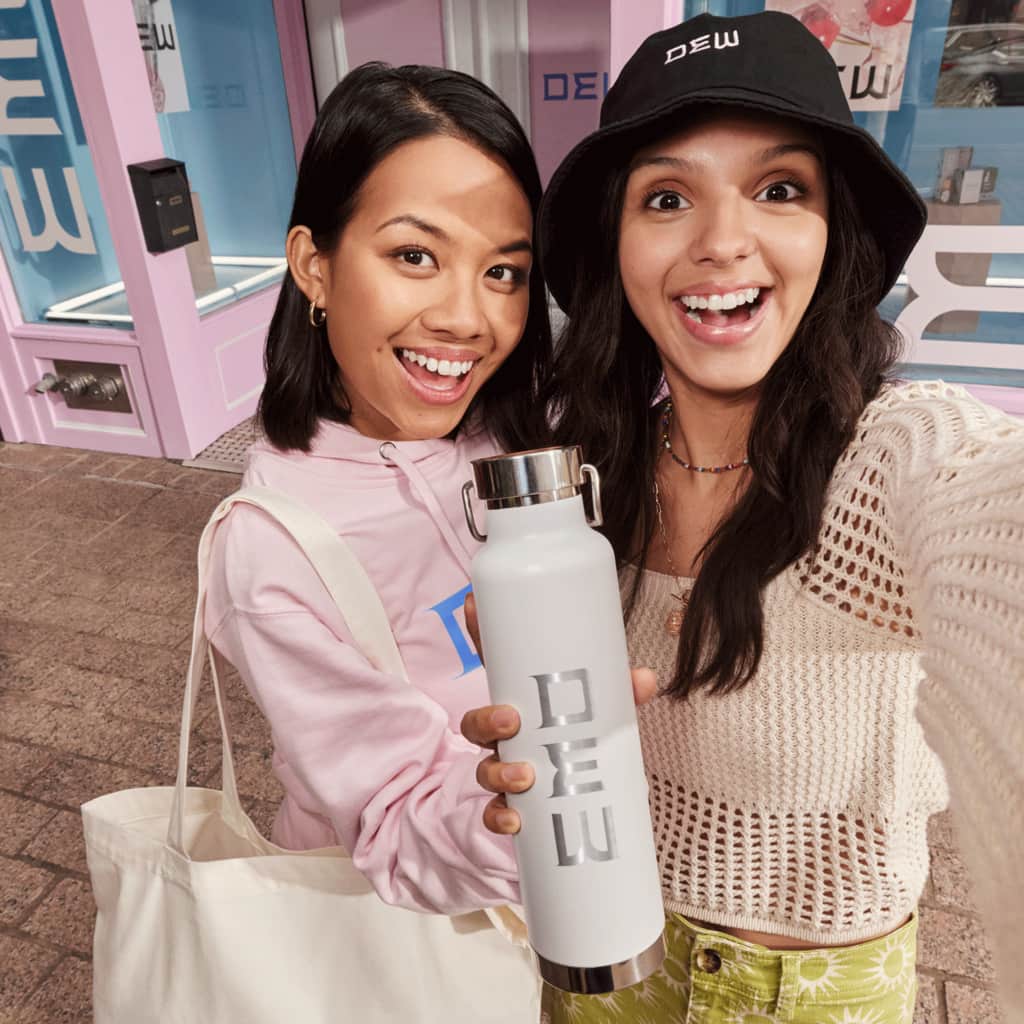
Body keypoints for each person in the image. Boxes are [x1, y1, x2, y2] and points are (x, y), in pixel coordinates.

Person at [461, 11, 1024, 1022]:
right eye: (667, 196)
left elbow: (994, 525)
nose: (722, 242)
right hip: (604, 951)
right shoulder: (589, 482)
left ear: (831, 233)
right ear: (617, 247)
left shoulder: (883, 463)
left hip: (801, 993)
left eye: (778, 190)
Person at [203, 61, 554, 915]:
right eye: (414, 255)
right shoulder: (269, 546)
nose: (468, 318)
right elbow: (394, 823)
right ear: (313, 267)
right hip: (406, 938)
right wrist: (555, 807)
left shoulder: (520, 437)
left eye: (503, 272)